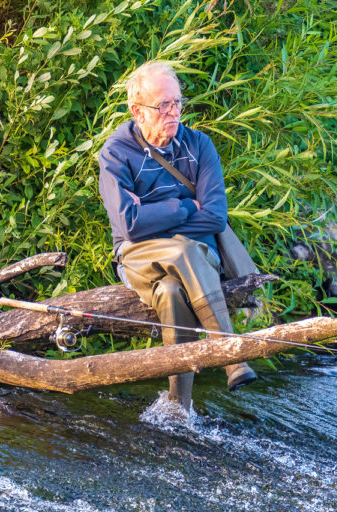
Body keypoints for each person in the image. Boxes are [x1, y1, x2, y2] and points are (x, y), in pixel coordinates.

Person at [98, 61, 257, 410]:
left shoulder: (199, 146)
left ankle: (178, 406)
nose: (173, 113)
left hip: (199, 254)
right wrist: (186, 206)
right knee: (182, 250)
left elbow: (215, 217)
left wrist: (153, 217)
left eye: (178, 103)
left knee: (171, 288)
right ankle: (232, 356)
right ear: (137, 111)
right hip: (138, 256)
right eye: (163, 106)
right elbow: (129, 225)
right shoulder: (115, 153)